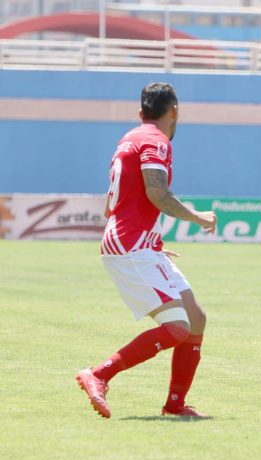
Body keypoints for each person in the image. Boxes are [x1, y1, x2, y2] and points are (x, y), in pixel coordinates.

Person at [75, 82, 217, 419]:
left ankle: (175, 404)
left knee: (195, 319)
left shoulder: (130, 138)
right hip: (130, 245)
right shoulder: (156, 141)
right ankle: (99, 374)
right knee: (178, 328)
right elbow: (157, 192)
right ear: (174, 111)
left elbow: (114, 202)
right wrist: (196, 217)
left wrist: (151, 242)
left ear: (141, 112)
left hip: (141, 243)